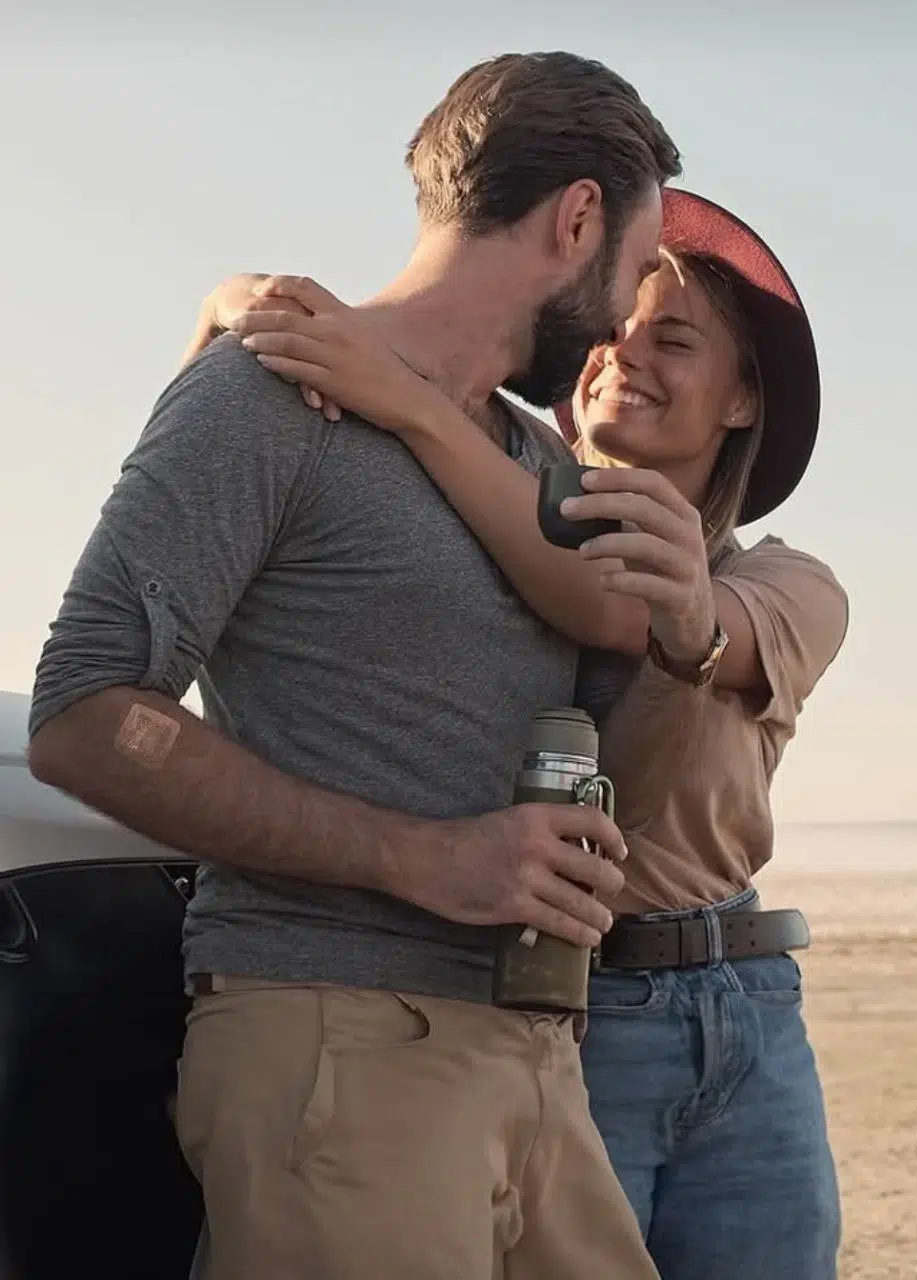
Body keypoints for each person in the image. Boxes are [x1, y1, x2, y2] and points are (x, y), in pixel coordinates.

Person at [27, 52, 682, 1280]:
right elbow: (84, 711)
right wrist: (423, 855)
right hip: (336, 1043)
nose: (623, 316)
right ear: (576, 217)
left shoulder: (534, 465)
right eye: (634, 270)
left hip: (533, 1057)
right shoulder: (263, 394)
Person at [197, 187, 848, 1279]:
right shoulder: (475, 515)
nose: (621, 356)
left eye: (673, 340)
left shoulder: (784, 582)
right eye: (607, 332)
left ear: (742, 401)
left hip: (739, 1004)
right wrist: (231, 303)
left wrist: (408, 407)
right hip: (555, 1002)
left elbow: (697, 631)